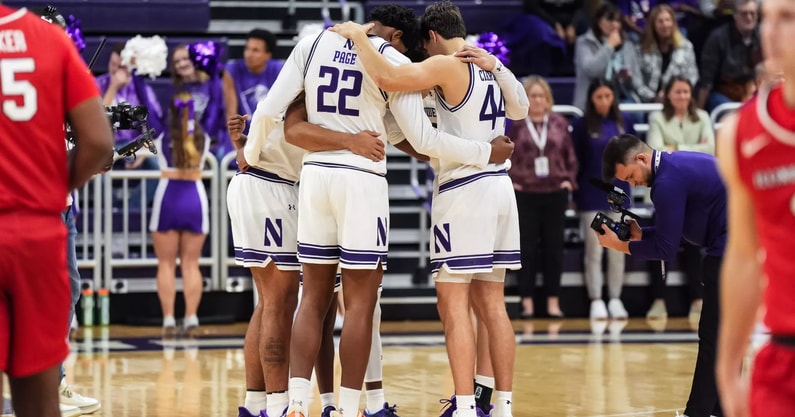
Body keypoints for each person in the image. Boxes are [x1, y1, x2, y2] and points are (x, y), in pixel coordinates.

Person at [249, 5, 515, 417]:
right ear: (396, 37)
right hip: (363, 179)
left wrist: (248, 154)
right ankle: (355, 407)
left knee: (313, 298)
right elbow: (417, 135)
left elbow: (271, 112)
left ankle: (298, 404)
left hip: (316, 174)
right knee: (360, 304)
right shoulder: (392, 58)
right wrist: (480, 151)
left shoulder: (312, 42)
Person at [330, 2, 529, 416]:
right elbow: (522, 109)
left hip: (466, 190)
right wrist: (498, 65)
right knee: (493, 304)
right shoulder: (489, 66)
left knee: (452, 304)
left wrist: (358, 37)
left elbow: (390, 76)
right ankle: (500, 405)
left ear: (433, 37)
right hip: (500, 189)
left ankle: (462, 407)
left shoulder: (447, 65)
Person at [227, 93, 384, 417]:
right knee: (280, 302)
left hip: (262, 183)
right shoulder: (305, 92)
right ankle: (277, 405)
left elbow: (269, 123)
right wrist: (248, 151)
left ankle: (257, 403)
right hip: (269, 186)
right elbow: (279, 125)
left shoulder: (303, 88)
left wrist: (245, 145)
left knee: (269, 301)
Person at [0, 4, 114, 417]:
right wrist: (47, 189)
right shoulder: (47, 39)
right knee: (38, 395)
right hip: (37, 226)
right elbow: (100, 143)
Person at [598, 133, 727, 417]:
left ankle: (699, 412)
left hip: (731, 250)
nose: (633, 184)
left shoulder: (666, 184)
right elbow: (678, 233)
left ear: (642, 158)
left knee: (712, 338)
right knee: (726, 338)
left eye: (631, 176)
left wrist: (620, 245)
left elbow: (667, 250)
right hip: (739, 244)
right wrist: (643, 235)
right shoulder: (673, 166)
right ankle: (724, 409)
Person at [715, 1, 795, 415]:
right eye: (767, 18)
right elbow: (744, 257)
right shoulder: (741, 132)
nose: (771, 31)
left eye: (788, 17)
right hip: (782, 360)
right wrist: (729, 371)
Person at [29, 5, 103, 416]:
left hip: (62, 207)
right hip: (29, 206)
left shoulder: (65, 80)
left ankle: (54, 383)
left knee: (66, 293)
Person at [507, 76, 578, 319]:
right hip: (524, 192)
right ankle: (526, 301)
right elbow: (508, 154)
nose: (537, 100)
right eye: (533, 95)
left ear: (548, 99)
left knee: (554, 249)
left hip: (554, 192)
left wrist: (569, 179)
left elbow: (570, 155)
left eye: (541, 96)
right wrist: (511, 181)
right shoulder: (516, 124)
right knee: (525, 249)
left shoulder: (558, 123)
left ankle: (553, 301)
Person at [645, 75, 713, 320]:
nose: (682, 96)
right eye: (678, 92)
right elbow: (656, 152)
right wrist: (693, 149)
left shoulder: (703, 117)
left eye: (686, 92)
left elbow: (711, 149)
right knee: (660, 244)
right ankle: (659, 300)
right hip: (667, 192)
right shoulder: (657, 118)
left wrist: (676, 150)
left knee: (695, 247)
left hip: (696, 198)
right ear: (668, 95)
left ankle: (697, 299)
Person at [149, 92, 211, 336]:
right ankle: (192, 317)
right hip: (194, 197)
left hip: (168, 198)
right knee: (191, 263)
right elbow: (218, 103)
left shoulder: (164, 134)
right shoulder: (202, 136)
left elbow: (149, 107)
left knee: (165, 263)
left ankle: (167, 319)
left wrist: (137, 73)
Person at [572, 78, 633, 320]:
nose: (604, 101)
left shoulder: (624, 122)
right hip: (590, 196)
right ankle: (596, 299)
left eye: (608, 96)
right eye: (599, 97)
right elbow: (575, 161)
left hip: (619, 197)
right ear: (591, 99)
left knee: (619, 249)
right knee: (594, 250)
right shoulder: (581, 125)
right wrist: (576, 195)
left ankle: (616, 298)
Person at [696, 0, 762, 112]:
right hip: (724, 92)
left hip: (755, 90)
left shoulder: (764, 37)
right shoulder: (717, 38)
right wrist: (698, 112)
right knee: (731, 113)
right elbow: (706, 81)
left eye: (752, 13)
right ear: (735, 16)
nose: (749, 18)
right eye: (744, 13)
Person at [170, 45, 228, 160]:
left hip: (213, 143)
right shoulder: (175, 89)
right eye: (177, 62)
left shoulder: (211, 83)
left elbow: (217, 112)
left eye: (186, 59)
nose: (181, 64)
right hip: (187, 144)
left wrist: (203, 139)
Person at [633, 4, 699, 103]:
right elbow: (636, 81)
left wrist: (673, 95)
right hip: (648, 102)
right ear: (653, 25)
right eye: (660, 21)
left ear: (673, 23)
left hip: (678, 100)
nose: (665, 24)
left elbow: (692, 76)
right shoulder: (641, 49)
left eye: (668, 20)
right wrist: (654, 98)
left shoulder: (686, 47)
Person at [223, 29, 283, 125]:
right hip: (242, 132)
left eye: (255, 50)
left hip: (269, 130)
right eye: (247, 48)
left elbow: (281, 110)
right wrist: (236, 137)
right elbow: (231, 113)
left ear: (268, 55)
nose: (249, 54)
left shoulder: (278, 69)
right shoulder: (232, 70)